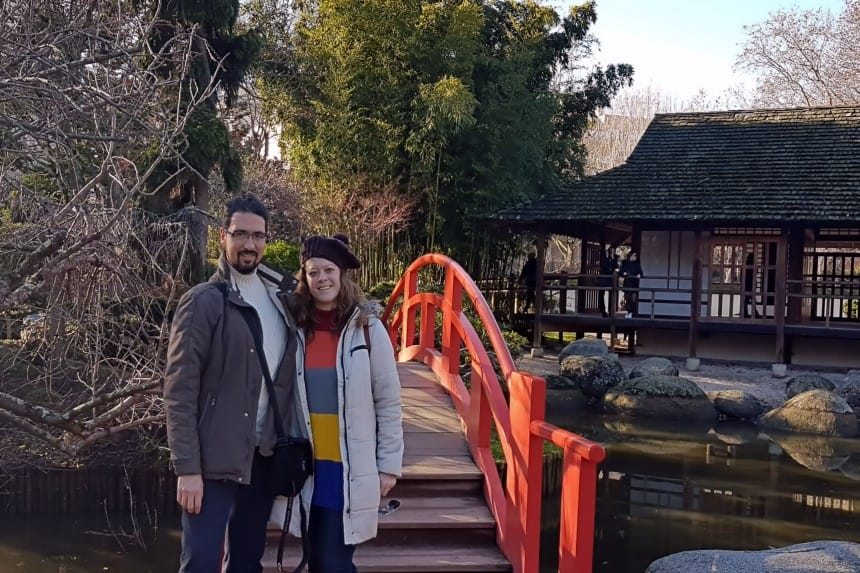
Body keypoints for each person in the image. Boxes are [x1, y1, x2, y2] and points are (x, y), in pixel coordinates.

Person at [163, 195, 299, 573]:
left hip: (262, 455)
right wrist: (186, 468)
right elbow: (179, 390)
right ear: (223, 236)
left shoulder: (281, 299)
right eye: (240, 234)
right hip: (212, 460)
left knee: (246, 560)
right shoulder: (204, 301)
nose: (249, 244)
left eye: (258, 236)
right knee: (202, 562)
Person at [287, 233, 403, 572]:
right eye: (313, 272)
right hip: (308, 466)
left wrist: (388, 465)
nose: (322, 279)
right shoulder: (295, 329)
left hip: (348, 466)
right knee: (316, 558)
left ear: (341, 274)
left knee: (334, 560)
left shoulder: (368, 330)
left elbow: (389, 401)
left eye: (328, 270)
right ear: (304, 279)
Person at [597, 245, 619, 317]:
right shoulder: (602, 257)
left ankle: (611, 311)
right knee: (601, 295)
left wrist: (613, 258)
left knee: (612, 295)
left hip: (610, 279)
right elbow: (603, 266)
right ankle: (603, 311)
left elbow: (615, 267)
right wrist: (607, 258)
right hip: (603, 278)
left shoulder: (615, 258)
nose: (610, 252)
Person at [620, 251, 643, 318]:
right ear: (630, 256)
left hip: (634, 283)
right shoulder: (625, 263)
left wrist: (639, 275)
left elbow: (641, 272)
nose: (635, 257)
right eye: (634, 255)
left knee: (633, 299)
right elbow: (620, 271)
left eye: (636, 255)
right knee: (627, 298)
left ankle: (632, 312)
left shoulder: (637, 264)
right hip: (627, 283)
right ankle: (629, 311)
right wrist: (623, 273)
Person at [743, 253, 762, 319]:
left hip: (746, 284)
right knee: (752, 299)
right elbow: (757, 272)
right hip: (751, 284)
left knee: (746, 300)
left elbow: (742, 275)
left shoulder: (745, 265)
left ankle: (745, 313)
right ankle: (755, 313)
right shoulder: (753, 265)